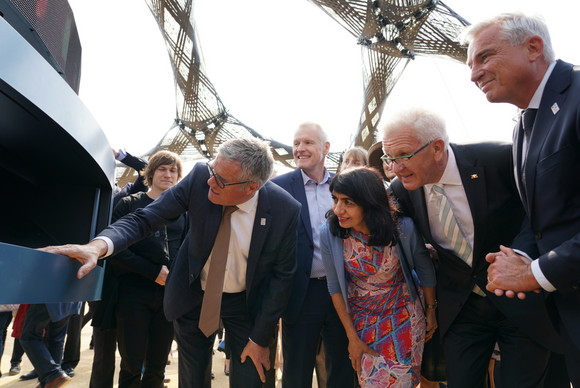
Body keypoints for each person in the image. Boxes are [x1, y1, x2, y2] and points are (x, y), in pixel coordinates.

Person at [41, 137, 301, 388]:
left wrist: (260, 338)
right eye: (213, 170)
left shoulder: (283, 209)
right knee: (192, 380)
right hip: (192, 297)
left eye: (220, 180)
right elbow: (145, 218)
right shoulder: (201, 178)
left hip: (244, 305)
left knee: (250, 377)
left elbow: (282, 277)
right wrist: (98, 247)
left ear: (251, 188)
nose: (210, 181)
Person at [384, 107, 561, 387]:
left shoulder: (499, 159)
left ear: (437, 148)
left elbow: (538, 212)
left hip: (520, 300)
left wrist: (520, 256)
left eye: (403, 156)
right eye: (389, 158)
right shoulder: (401, 189)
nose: (395, 167)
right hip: (462, 308)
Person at [462, 12, 580, 384]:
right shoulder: (522, 126)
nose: (473, 74)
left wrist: (535, 273)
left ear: (533, 48)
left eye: (485, 57)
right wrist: (519, 257)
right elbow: (543, 217)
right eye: (470, 64)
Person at [320, 167, 436, 387]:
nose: (338, 210)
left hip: (405, 315)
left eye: (348, 202)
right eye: (335, 200)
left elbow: (425, 269)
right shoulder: (331, 233)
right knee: (372, 382)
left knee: (402, 382)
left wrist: (431, 311)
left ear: (369, 202)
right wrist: (352, 338)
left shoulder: (402, 227)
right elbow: (334, 286)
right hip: (362, 319)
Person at [272, 122, 354, 388]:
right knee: (296, 372)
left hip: (344, 290)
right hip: (301, 292)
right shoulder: (278, 187)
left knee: (341, 369)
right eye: (296, 143)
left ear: (326, 147)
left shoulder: (345, 186)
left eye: (307, 142)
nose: (300, 149)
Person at [108, 150, 186, 387]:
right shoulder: (129, 204)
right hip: (133, 293)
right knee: (131, 364)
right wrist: (152, 272)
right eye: (162, 169)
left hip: (168, 298)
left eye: (173, 170)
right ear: (150, 173)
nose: (168, 174)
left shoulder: (184, 211)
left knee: (158, 366)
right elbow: (116, 249)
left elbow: (188, 249)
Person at [19, 302, 81, 388]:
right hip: (71, 299)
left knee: (28, 337)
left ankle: (53, 374)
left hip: (49, 296)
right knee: (56, 339)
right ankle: (47, 382)